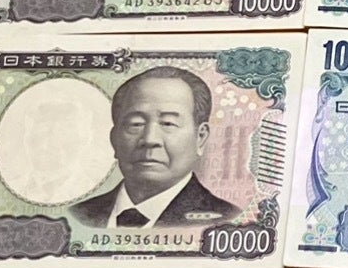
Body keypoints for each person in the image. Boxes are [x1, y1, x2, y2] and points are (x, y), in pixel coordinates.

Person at [70, 67, 241, 229]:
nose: (149, 139)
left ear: (200, 138)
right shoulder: (79, 215)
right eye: (136, 124)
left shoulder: (227, 219)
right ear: (114, 139)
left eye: (168, 123)